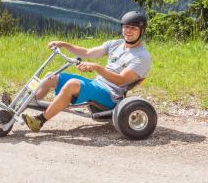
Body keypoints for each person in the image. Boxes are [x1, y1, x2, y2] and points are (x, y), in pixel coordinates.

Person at [22, 11, 151, 132]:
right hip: (97, 85)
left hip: (111, 96)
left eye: (134, 28)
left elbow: (120, 80)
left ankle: (39, 121)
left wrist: (97, 67)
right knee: (50, 76)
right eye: (126, 27)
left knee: (73, 84)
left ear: (142, 31)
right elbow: (87, 52)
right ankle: (24, 104)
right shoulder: (116, 44)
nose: (128, 31)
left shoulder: (141, 57)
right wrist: (64, 44)